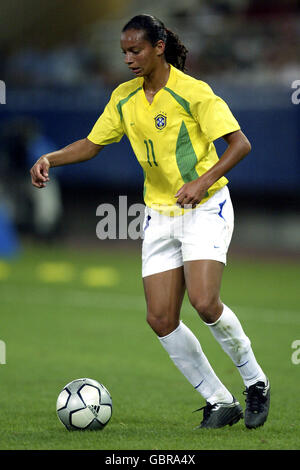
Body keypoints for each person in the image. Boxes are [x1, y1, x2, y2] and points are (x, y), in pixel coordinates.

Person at [30, 14, 270, 429]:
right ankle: (219, 400)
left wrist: (202, 180)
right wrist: (50, 158)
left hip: (205, 205)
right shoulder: (124, 97)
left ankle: (255, 382)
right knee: (160, 318)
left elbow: (240, 143)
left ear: (159, 46)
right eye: (124, 52)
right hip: (160, 213)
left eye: (135, 50)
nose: (129, 59)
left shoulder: (193, 92)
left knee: (204, 302)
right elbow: (92, 144)